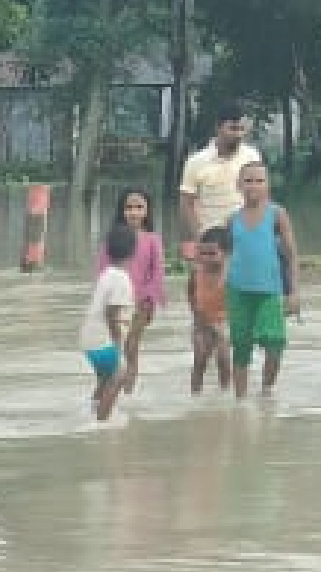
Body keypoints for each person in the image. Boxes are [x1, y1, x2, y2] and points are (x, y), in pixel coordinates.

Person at [218, 160, 299, 397]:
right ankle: (240, 401)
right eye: (248, 180)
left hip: (269, 292)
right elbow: (226, 256)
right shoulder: (232, 219)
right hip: (238, 292)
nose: (253, 185)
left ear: (267, 185)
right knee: (241, 348)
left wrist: (293, 292)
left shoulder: (277, 214)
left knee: (274, 343)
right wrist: (220, 287)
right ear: (239, 185)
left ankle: (266, 390)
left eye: (259, 180)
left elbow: (291, 254)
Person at [110, 190, 167, 395]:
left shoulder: (152, 239)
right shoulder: (113, 238)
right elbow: (102, 270)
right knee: (115, 348)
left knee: (131, 347)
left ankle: (127, 393)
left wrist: (151, 300)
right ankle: (112, 387)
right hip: (115, 303)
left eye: (138, 207)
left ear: (147, 211)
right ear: (122, 211)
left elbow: (157, 272)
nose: (133, 212)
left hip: (140, 303)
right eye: (129, 208)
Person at [175, 111, 261, 243]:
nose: (238, 134)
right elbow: (186, 204)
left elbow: (261, 194)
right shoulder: (195, 161)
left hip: (246, 235)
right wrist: (198, 236)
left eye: (241, 129)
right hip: (211, 239)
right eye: (232, 129)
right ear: (218, 128)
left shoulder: (252, 156)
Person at [84, 223, 136, 421]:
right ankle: (102, 420)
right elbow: (112, 312)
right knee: (119, 375)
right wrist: (117, 342)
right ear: (133, 251)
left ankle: (93, 411)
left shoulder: (106, 274)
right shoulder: (122, 279)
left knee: (105, 380)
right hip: (104, 340)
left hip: (90, 339)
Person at [185, 228, 231, 393]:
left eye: (212, 253)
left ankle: (225, 394)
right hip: (201, 321)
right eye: (203, 253)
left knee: (224, 358)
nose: (206, 258)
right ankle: (195, 396)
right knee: (200, 359)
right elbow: (190, 292)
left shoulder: (232, 273)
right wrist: (196, 313)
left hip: (225, 321)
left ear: (226, 253)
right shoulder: (197, 271)